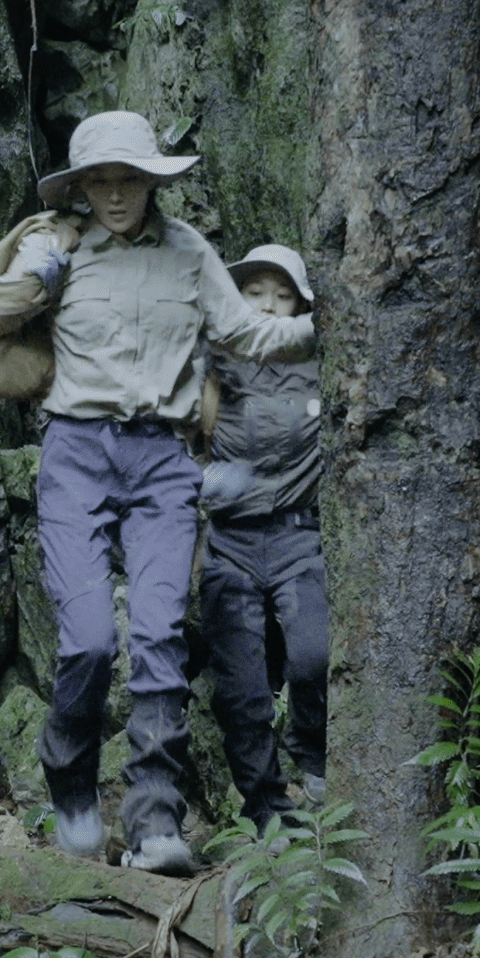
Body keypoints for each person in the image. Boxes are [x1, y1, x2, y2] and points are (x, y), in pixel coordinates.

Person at [8, 112, 316, 875]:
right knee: (87, 639)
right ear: (81, 187)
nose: (115, 195)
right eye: (100, 181)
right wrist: (19, 279)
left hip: (161, 459)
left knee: (159, 641)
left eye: (130, 179)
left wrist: (331, 319)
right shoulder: (59, 248)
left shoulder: (189, 253)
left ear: (153, 181)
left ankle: (154, 824)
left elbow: (247, 332)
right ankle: (71, 781)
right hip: (75, 452)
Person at [197, 244, 328, 830]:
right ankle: (265, 809)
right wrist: (207, 483)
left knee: (312, 657)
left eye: (282, 296)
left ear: (301, 305)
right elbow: (184, 444)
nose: (269, 307)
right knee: (243, 691)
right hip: (230, 543)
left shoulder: (323, 362)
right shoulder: (215, 363)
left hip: (300, 536)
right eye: (254, 294)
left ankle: (317, 758)